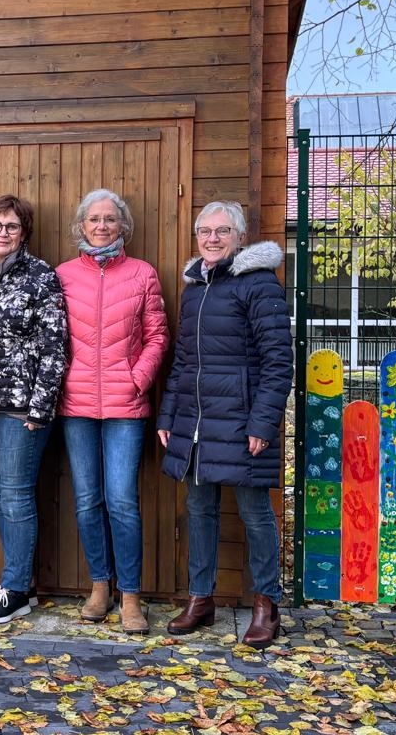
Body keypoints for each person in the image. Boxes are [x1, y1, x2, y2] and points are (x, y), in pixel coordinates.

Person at [156, 200, 292, 647]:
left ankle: (266, 603)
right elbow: (184, 362)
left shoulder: (257, 284)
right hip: (196, 423)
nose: (211, 239)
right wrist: (169, 416)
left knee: (255, 514)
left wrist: (263, 424)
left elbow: (278, 362)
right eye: (204, 231)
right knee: (199, 511)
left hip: (243, 421)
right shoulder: (195, 287)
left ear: (239, 237)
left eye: (222, 231)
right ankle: (201, 600)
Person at [56, 189, 169, 635]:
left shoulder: (142, 274)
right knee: (87, 501)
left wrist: (137, 379)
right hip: (76, 405)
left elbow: (158, 336)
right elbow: (51, 337)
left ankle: (131, 597)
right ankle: (99, 587)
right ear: (81, 226)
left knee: (122, 501)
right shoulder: (63, 275)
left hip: (126, 406)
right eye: (93, 219)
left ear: (123, 226)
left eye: (109, 219)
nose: (101, 226)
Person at [0, 194, 69, 624]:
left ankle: (15, 587)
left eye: (12, 226)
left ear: (24, 233)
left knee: (18, 495)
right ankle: (18, 582)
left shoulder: (40, 276)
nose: (3, 233)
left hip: (21, 408)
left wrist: (41, 407)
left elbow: (54, 345)